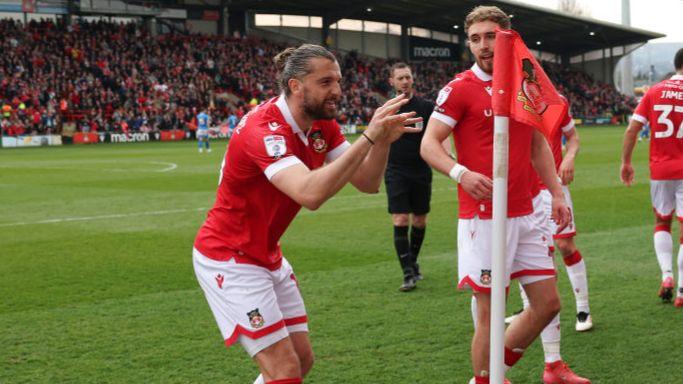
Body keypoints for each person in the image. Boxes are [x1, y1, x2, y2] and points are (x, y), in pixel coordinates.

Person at [192, 44, 421, 384]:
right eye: (326, 82)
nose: (337, 91)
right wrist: (370, 135)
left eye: (338, 81)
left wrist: (383, 140)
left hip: (266, 254)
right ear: (296, 86)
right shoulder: (263, 129)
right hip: (229, 257)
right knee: (284, 370)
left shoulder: (321, 124)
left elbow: (368, 182)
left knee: (301, 360)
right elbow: (310, 193)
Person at [420, 6, 584, 384]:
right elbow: (429, 145)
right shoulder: (460, 88)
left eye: (490, 36)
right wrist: (461, 174)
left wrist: (557, 194)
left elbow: (538, 146)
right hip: (483, 217)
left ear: (508, 38)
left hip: (527, 212)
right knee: (490, 314)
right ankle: (485, 379)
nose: (483, 45)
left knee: (547, 304)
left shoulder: (524, 83)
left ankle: (496, 372)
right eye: (475, 38)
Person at [621, 48, 683, 306]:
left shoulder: (654, 91)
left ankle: (667, 276)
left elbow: (632, 130)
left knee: (662, 221)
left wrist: (626, 162)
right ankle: (681, 292)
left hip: (660, 169)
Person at [384, 62, 437, 292]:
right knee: (400, 220)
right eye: (400, 78)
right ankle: (407, 273)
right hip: (396, 170)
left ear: (412, 79)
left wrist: (444, 150)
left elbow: (437, 133)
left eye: (407, 77)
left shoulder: (426, 107)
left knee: (419, 220)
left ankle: (412, 262)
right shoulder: (386, 109)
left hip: (421, 170)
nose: (405, 81)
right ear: (392, 82)